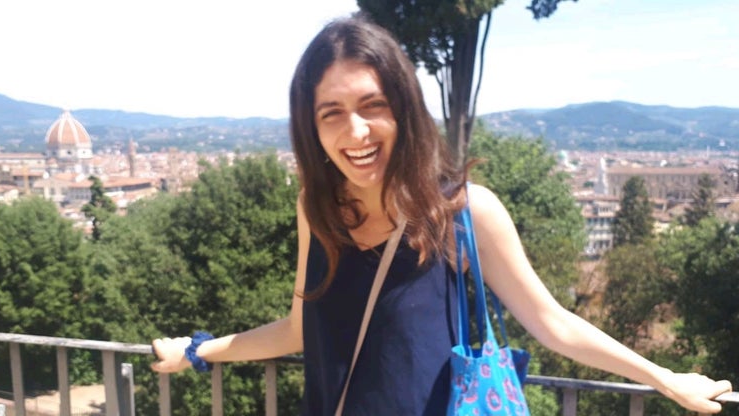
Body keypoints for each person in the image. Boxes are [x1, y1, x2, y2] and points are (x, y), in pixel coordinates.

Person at [151, 15, 732, 415]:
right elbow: (299, 330)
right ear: (311, 126)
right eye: (332, 113)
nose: (356, 131)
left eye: (373, 105)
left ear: (404, 110)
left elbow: (551, 322)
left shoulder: (465, 212)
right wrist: (198, 350)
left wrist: (664, 378)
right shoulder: (317, 209)